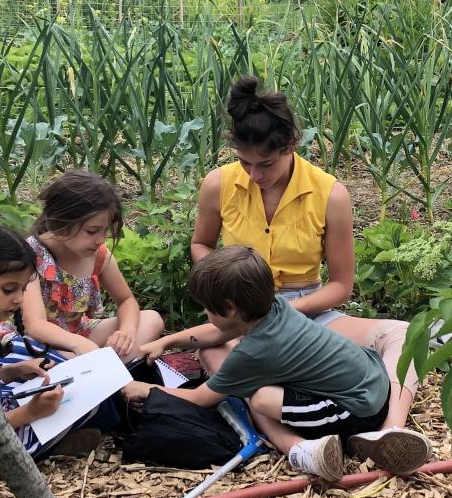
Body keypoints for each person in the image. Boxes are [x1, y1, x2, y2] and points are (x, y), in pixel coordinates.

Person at [140, 76, 423, 437]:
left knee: (405, 332)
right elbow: (201, 245)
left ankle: (391, 430)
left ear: (291, 144)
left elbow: (340, 285)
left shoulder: (329, 193)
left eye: (266, 164)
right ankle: (291, 443)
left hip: (308, 308)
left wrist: (286, 312)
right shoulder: (218, 183)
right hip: (241, 310)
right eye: (245, 163)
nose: (255, 174)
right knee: (217, 356)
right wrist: (227, 283)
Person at [124, 247, 432, 480]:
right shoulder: (274, 307)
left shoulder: (253, 352)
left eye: (207, 308)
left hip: (353, 408)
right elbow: (218, 331)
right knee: (248, 376)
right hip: (372, 381)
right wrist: (166, 341)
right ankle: (369, 434)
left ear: (230, 307)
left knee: (259, 398)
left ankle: (299, 451)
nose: (205, 313)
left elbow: (201, 398)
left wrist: (146, 388)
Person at [0, 226, 117, 480]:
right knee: (80, 401)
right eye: (8, 289)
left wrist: (11, 372)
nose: (18, 300)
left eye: (23, 290)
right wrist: (30, 413)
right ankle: (52, 446)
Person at [20, 170, 164, 361]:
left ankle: (100, 372)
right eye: (92, 231)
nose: (100, 240)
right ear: (61, 221)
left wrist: (126, 331)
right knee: (53, 356)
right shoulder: (29, 255)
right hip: (39, 341)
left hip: (81, 334)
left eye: (105, 231)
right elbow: (34, 325)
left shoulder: (98, 256)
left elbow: (126, 300)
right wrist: (77, 344)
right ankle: (105, 372)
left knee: (151, 320)